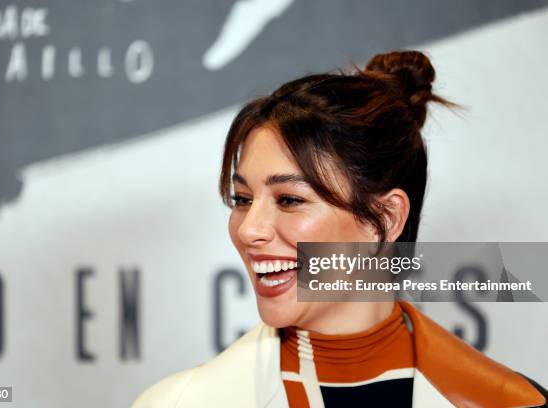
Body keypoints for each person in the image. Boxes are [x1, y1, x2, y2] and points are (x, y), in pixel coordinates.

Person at [131, 50, 547, 407]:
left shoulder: (509, 399)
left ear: (384, 220)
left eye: (289, 200)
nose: (248, 230)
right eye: (242, 200)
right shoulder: (180, 402)